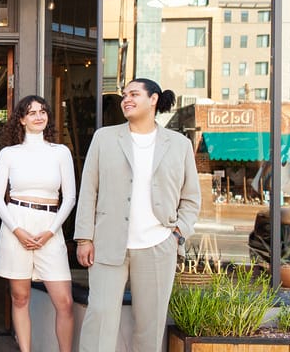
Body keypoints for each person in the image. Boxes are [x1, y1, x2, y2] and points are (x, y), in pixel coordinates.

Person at [74, 78, 201, 352]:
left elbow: (191, 197)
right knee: (100, 319)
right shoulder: (104, 138)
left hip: (158, 246)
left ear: (153, 99)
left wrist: (177, 234)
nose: (126, 99)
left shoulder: (179, 144)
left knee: (151, 325)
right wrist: (84, 237)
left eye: (133, 94)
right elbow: (89, 190)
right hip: (108, 244)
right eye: (123, 95)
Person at [0, 95, 76, 352]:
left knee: (64, 302)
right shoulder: (9, 154)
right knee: (20, 297)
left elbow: (70, 197)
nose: (38, 116)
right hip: (16, 222)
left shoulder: (60, 152)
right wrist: (16, 230)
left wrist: (51, 231)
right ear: (21, 119)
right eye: (32, 112)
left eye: (42, 111)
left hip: (50, 225)